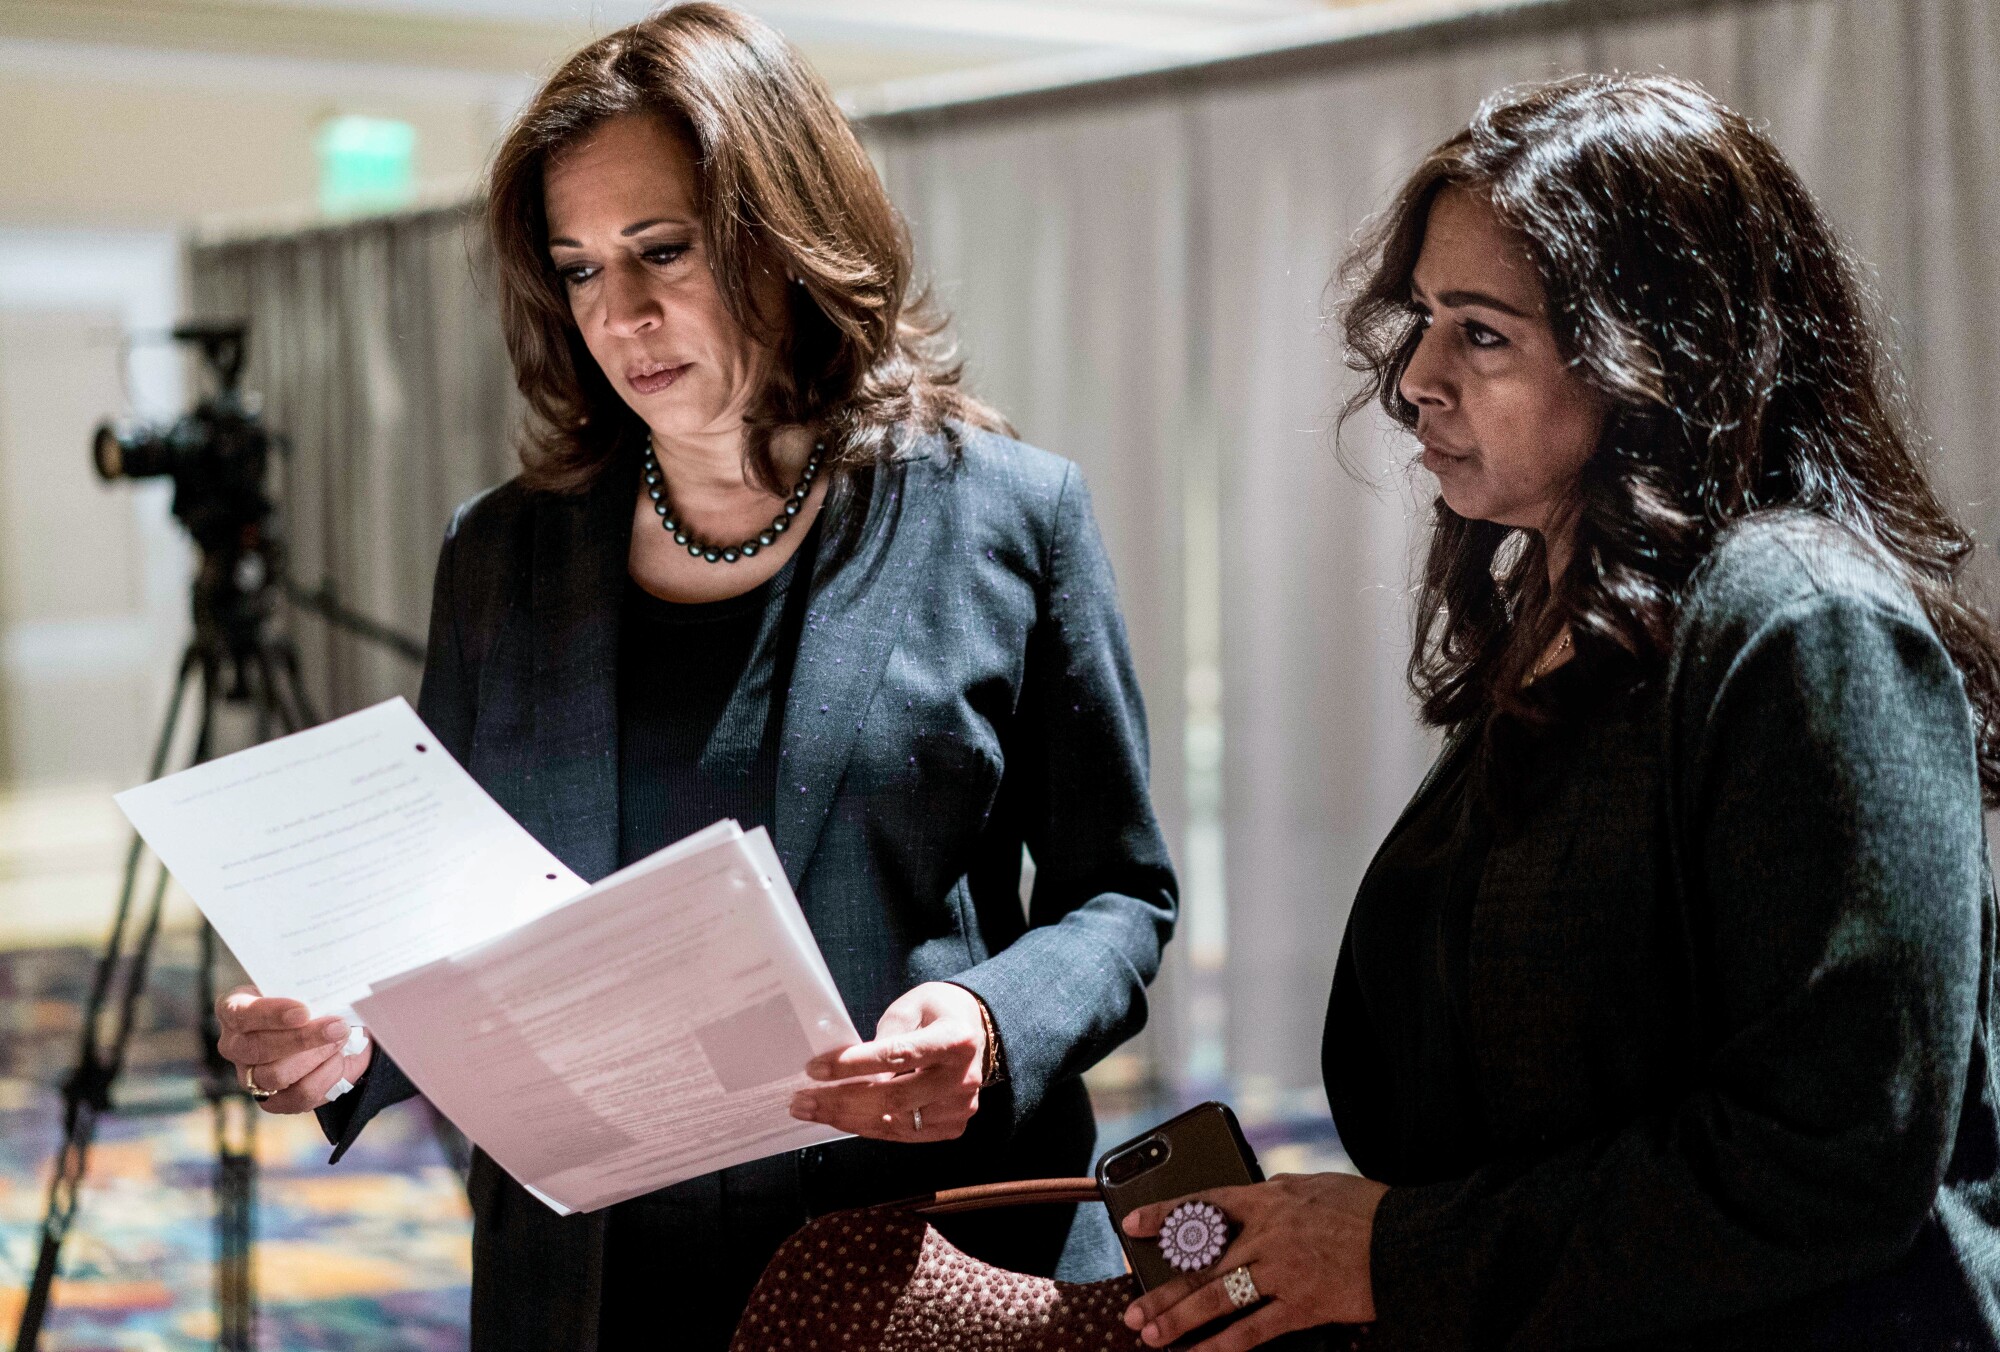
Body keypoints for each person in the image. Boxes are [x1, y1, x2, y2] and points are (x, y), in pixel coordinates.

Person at [209, 6, 1178, 1349]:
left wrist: (986, 1020)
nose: (622, 315)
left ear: (781, 236)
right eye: (581, 268)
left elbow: (1119, 895)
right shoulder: (503, 555)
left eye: (662, 251)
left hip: (915, 1263)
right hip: (592, 1282)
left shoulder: (1002, 518)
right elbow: (422, 924)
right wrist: (343, 1041)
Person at [1120, 73, 2000, 1350]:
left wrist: (1395, 1250)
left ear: (1658, 351)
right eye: (1422, 318)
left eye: (1479, 333)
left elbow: (1830, 1154)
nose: (1413, 377)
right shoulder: (1569, 623)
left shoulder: (1799, 618)